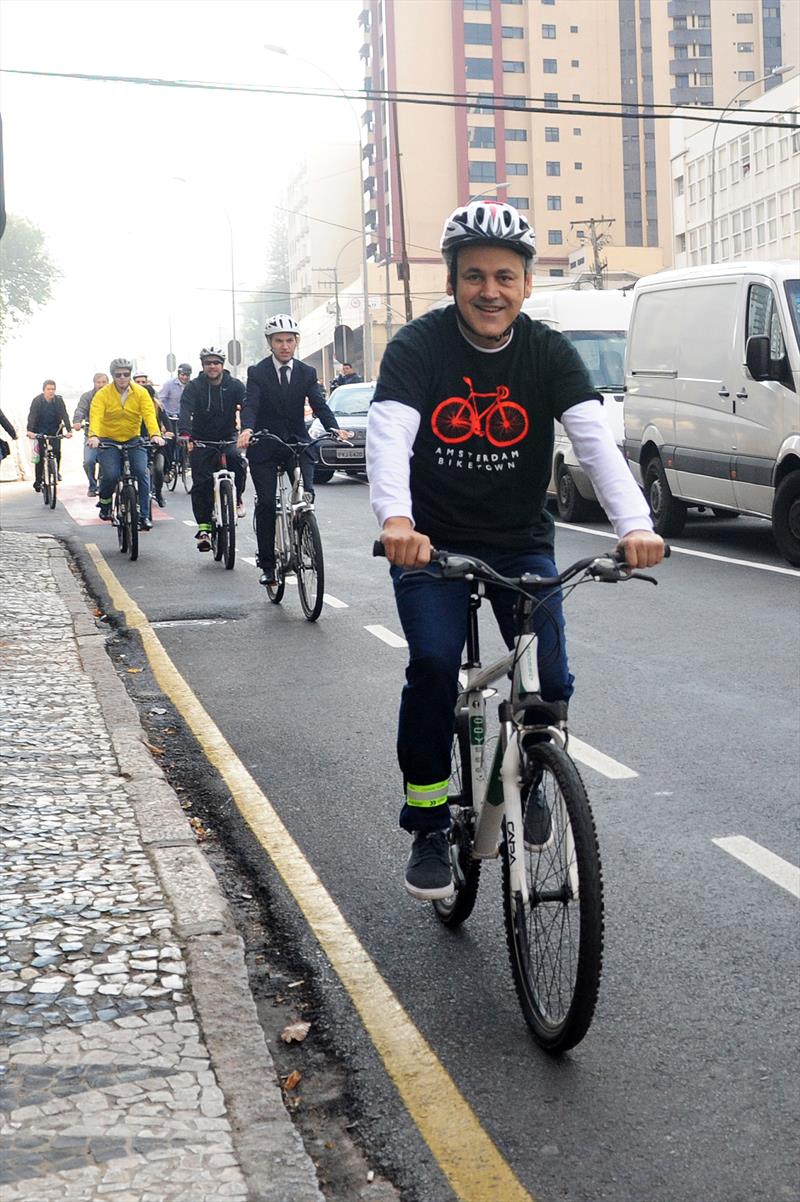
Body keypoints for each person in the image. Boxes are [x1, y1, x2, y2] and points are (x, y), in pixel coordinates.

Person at [366, 200, 664, 902]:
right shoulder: (417, 348)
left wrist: (635, 525)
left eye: (505, 276)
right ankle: (429, 824)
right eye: (474, 276)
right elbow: (389, 437)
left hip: (520, 540)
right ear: (452, 282)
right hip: (430, 545)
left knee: (548, 682)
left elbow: (594, 441)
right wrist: (397, 521)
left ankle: (530, 776)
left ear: (527, 284)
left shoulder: (548, 352)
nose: (490, 291)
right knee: (434, 666)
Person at [239, 313, 351, 587]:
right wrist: (247, 429)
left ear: (296, 341)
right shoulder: (257, 372)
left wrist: (334, 428)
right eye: (279, 341)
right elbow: (251, 404)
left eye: (289, 340)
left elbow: (319, 404)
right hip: (265, 443)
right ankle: (268, 565)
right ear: (270, 343)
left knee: (305, 496)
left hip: (296, 444)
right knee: (266, 503)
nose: (285, 346)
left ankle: (302, 529)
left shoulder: (306, 372)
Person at [179, 347, 247, 551]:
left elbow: (247, 406)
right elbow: (185, 409)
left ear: (222, 365)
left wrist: (248, 429)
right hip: (202, 439)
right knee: (201, 482)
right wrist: (185, 433)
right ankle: (204, 529)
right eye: (208, 363)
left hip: (228, 436)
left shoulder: (234, 385)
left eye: (216, 363)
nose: (212, 366)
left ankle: (237, 497)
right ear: (202, 366)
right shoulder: (194, 386)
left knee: (238, 461)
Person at [87, 358, 164, 530]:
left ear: (130, 375)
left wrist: (155, 434)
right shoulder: (102, 394)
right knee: (111, 475)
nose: (122, 377)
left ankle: (144, 516)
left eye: (126, 374)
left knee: (142, 472)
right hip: (108, 440)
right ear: (113, 376)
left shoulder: (141, 392)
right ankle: (105, 504)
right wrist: (94, 436)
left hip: (133, 439)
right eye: (118, 375)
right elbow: (96, 416)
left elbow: (149, 415)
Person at [26, 381, 72, 491]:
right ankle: (38, 480)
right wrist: (30, 431)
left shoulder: (59, 400)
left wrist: (69, 430)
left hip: (55, 430)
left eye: (53, 389)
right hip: (40, 430)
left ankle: (56, 472)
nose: (51, 391)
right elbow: (32, 416)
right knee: (40, 455)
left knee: (57, 451)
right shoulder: (37, 401)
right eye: (48, 389)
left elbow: (64, 415)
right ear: (44, 390)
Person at [72, 372, 109, 496]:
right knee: (89, 461)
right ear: (94, 383)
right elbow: (80, 410)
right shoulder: (87, 397)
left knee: (109, 462)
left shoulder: (113, 396)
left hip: (109, 435)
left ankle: (105, 484)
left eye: (104, 382)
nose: (101, 385)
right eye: (98, 382)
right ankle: (92, 485)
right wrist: (77, 421)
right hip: (91, 434)